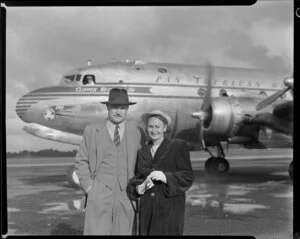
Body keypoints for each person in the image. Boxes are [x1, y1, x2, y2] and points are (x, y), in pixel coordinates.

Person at [75, 88, 141, 235]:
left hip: (127, 196)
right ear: (107, 107)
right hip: (99, 195)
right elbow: (81, 161)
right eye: (115, 107)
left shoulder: (135, 132)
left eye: (123, 108)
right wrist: (90, 188)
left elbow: (142, 164)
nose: (119, 111)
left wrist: (137, 188)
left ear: (128, 108)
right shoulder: (92, 131)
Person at [127, 110, 194, 235]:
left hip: (169, 209)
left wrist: (165, 177)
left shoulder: (178, 146)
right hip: (148, 210)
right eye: (150, 126)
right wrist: (138, 187)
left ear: (164, 128)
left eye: (157, 127)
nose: (153, 130)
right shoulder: (143, 151)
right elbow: (138, 177)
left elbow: (188, 176)